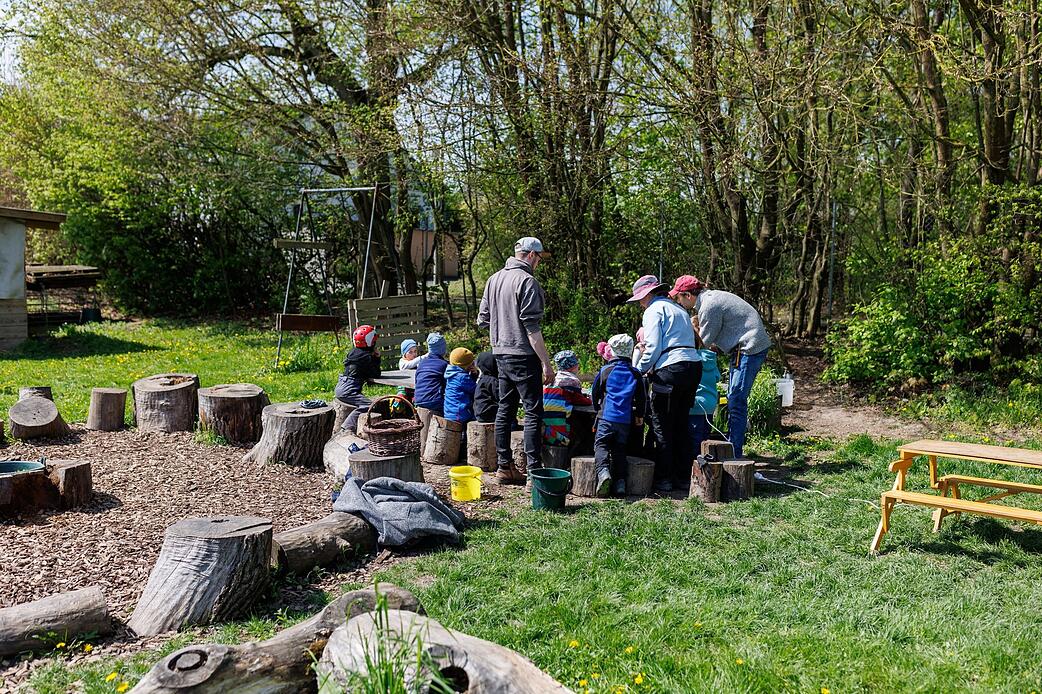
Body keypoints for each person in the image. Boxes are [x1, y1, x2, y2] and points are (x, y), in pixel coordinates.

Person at [477, 237, 555, 485]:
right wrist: (546, 362)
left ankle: (504, 467)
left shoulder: (494, 279)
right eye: (540, 258)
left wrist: (502, 331)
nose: (540, 263)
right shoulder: (527, 281)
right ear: (531, 255)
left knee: (505, 408)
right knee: (532, 412)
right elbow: (532, 328)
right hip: (523, 355)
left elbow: (482, 320)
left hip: (500, 354)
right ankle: (534, 471)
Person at [670, 275, 771, 458]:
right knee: (734, 399)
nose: (678, 302)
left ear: (687, 295)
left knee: (736, 401)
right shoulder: (710, 299)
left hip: (749, 347)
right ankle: (733, 447)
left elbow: (703, 343)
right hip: (743, 348)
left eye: (678, 297)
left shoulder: (709, 306)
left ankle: (734, 453)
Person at [629, 275, 702, 492]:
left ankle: (664, 479)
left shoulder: (654, 310)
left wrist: (638, 371)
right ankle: (683, 477)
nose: (640, 304)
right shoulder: (679, 309)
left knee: (662, 425)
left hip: (671, 369)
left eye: (640, 299)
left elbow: (652, 346)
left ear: (648, 295)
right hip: (692, 367)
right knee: (681, 424)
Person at [592, 334, 646, 497]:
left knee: (601, 445)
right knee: (620, 449)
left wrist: (597, 409)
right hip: (625, 420)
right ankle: (620, 483)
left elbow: (595, 393)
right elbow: (642, 397)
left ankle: (603, 473)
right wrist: (639, 415)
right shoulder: (635, 373)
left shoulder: (605, 370)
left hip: (606, 417)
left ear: (612, 350)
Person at [334, 325, 381, 433]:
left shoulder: (353, 353)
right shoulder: (366, 357)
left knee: (367, 403)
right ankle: (346, 428)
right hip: (348, 390)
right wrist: (377, 358)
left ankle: (347, 427)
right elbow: (376, 374)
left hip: (341, 385)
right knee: (369, 405)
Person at [542, 350, 593, 448]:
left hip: (546, 426)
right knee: (584, 427)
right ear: (573, 366)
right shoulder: (572, 381)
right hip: (559, 432)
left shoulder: (552, 378)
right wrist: (589, 399)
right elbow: (582, 401)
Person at [689, 324, 721, 457]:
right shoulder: (711, 360)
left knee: (693, 438)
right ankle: (705, 458)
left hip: (696, 404)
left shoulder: (693, 359)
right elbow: (717, 377)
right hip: (710, 404)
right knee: (704, 435)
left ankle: (695, 463)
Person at [414, 332, 449, 415]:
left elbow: (416, 381)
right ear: (442, 349)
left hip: (418, 399)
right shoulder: (444, 364)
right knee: (453, 407)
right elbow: (448, 385)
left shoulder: (421, 363)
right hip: (434, 401)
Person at [444, 347, 478, 424]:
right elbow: (476, 390)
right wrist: (475, 374)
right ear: (467, 366)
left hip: (450, 412)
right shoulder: (462, 377)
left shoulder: (451, 373)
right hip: (460, 414)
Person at [473, 351, 499, 423]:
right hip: (488, 413)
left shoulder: (482, 378)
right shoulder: (492, 380)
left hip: (480, 412)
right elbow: (499, 397)